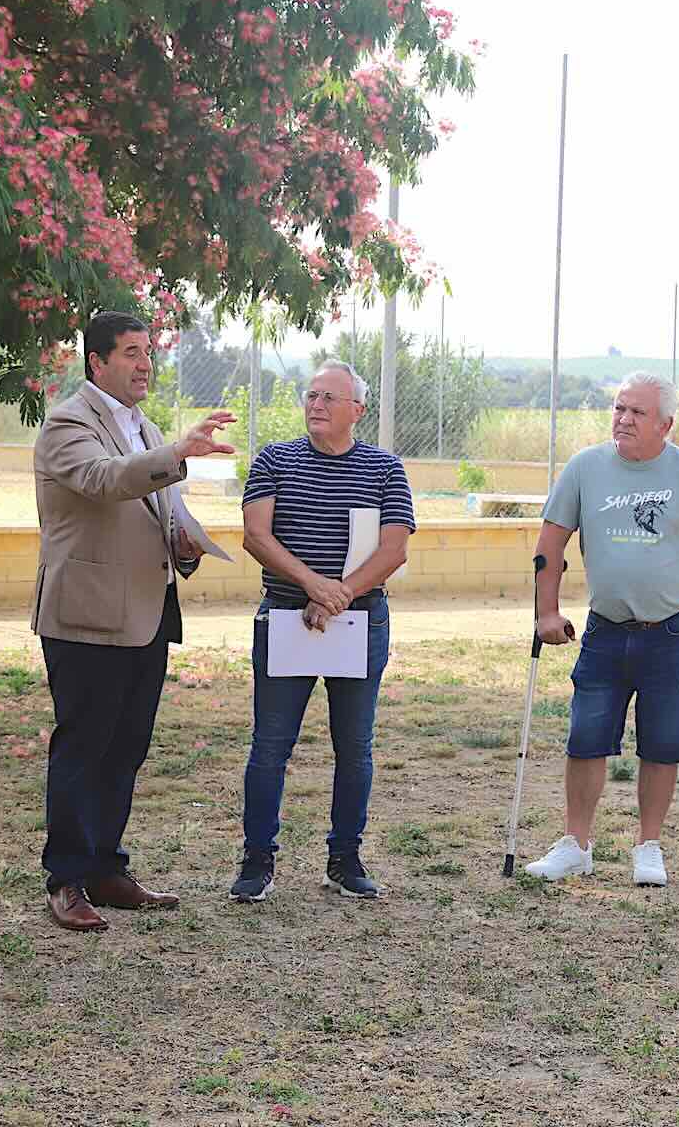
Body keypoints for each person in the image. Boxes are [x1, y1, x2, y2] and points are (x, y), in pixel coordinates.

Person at [32, 310, 235, 932]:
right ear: (97, 362)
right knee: (84, 747)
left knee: (126, 748)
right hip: (87, 616)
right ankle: (65, 879)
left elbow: (154, 512)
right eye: (131, 353)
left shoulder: (142, 424)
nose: (146, 363)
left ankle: (105, 868)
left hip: (147, 612)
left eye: (149, 352)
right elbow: (102, 481)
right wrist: (176, 452)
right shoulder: (69, 422)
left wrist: (184, 544)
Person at [521, 371, 679, 887]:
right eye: (619, 408)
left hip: (675, 630)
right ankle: (576, 844)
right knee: (586, 736)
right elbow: (549, 546)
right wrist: (547, 612)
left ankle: (649, 846)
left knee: (663, 742)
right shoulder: (585, 468)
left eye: (637, 412)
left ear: (666, 424)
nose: (623, 419)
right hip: (606, 629)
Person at [228, 360, 415, 903]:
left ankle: (345, 857)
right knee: (269, 747)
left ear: (357, 410)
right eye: (311, 395)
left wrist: (339, 596)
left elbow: (394, 548)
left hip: (360, 619)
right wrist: (316, 587)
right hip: (286, 615)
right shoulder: (274, 460)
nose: (316, 405)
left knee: (354, 748)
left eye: (329, 397)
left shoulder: (384, 468)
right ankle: (257, 860)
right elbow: (255, 537)